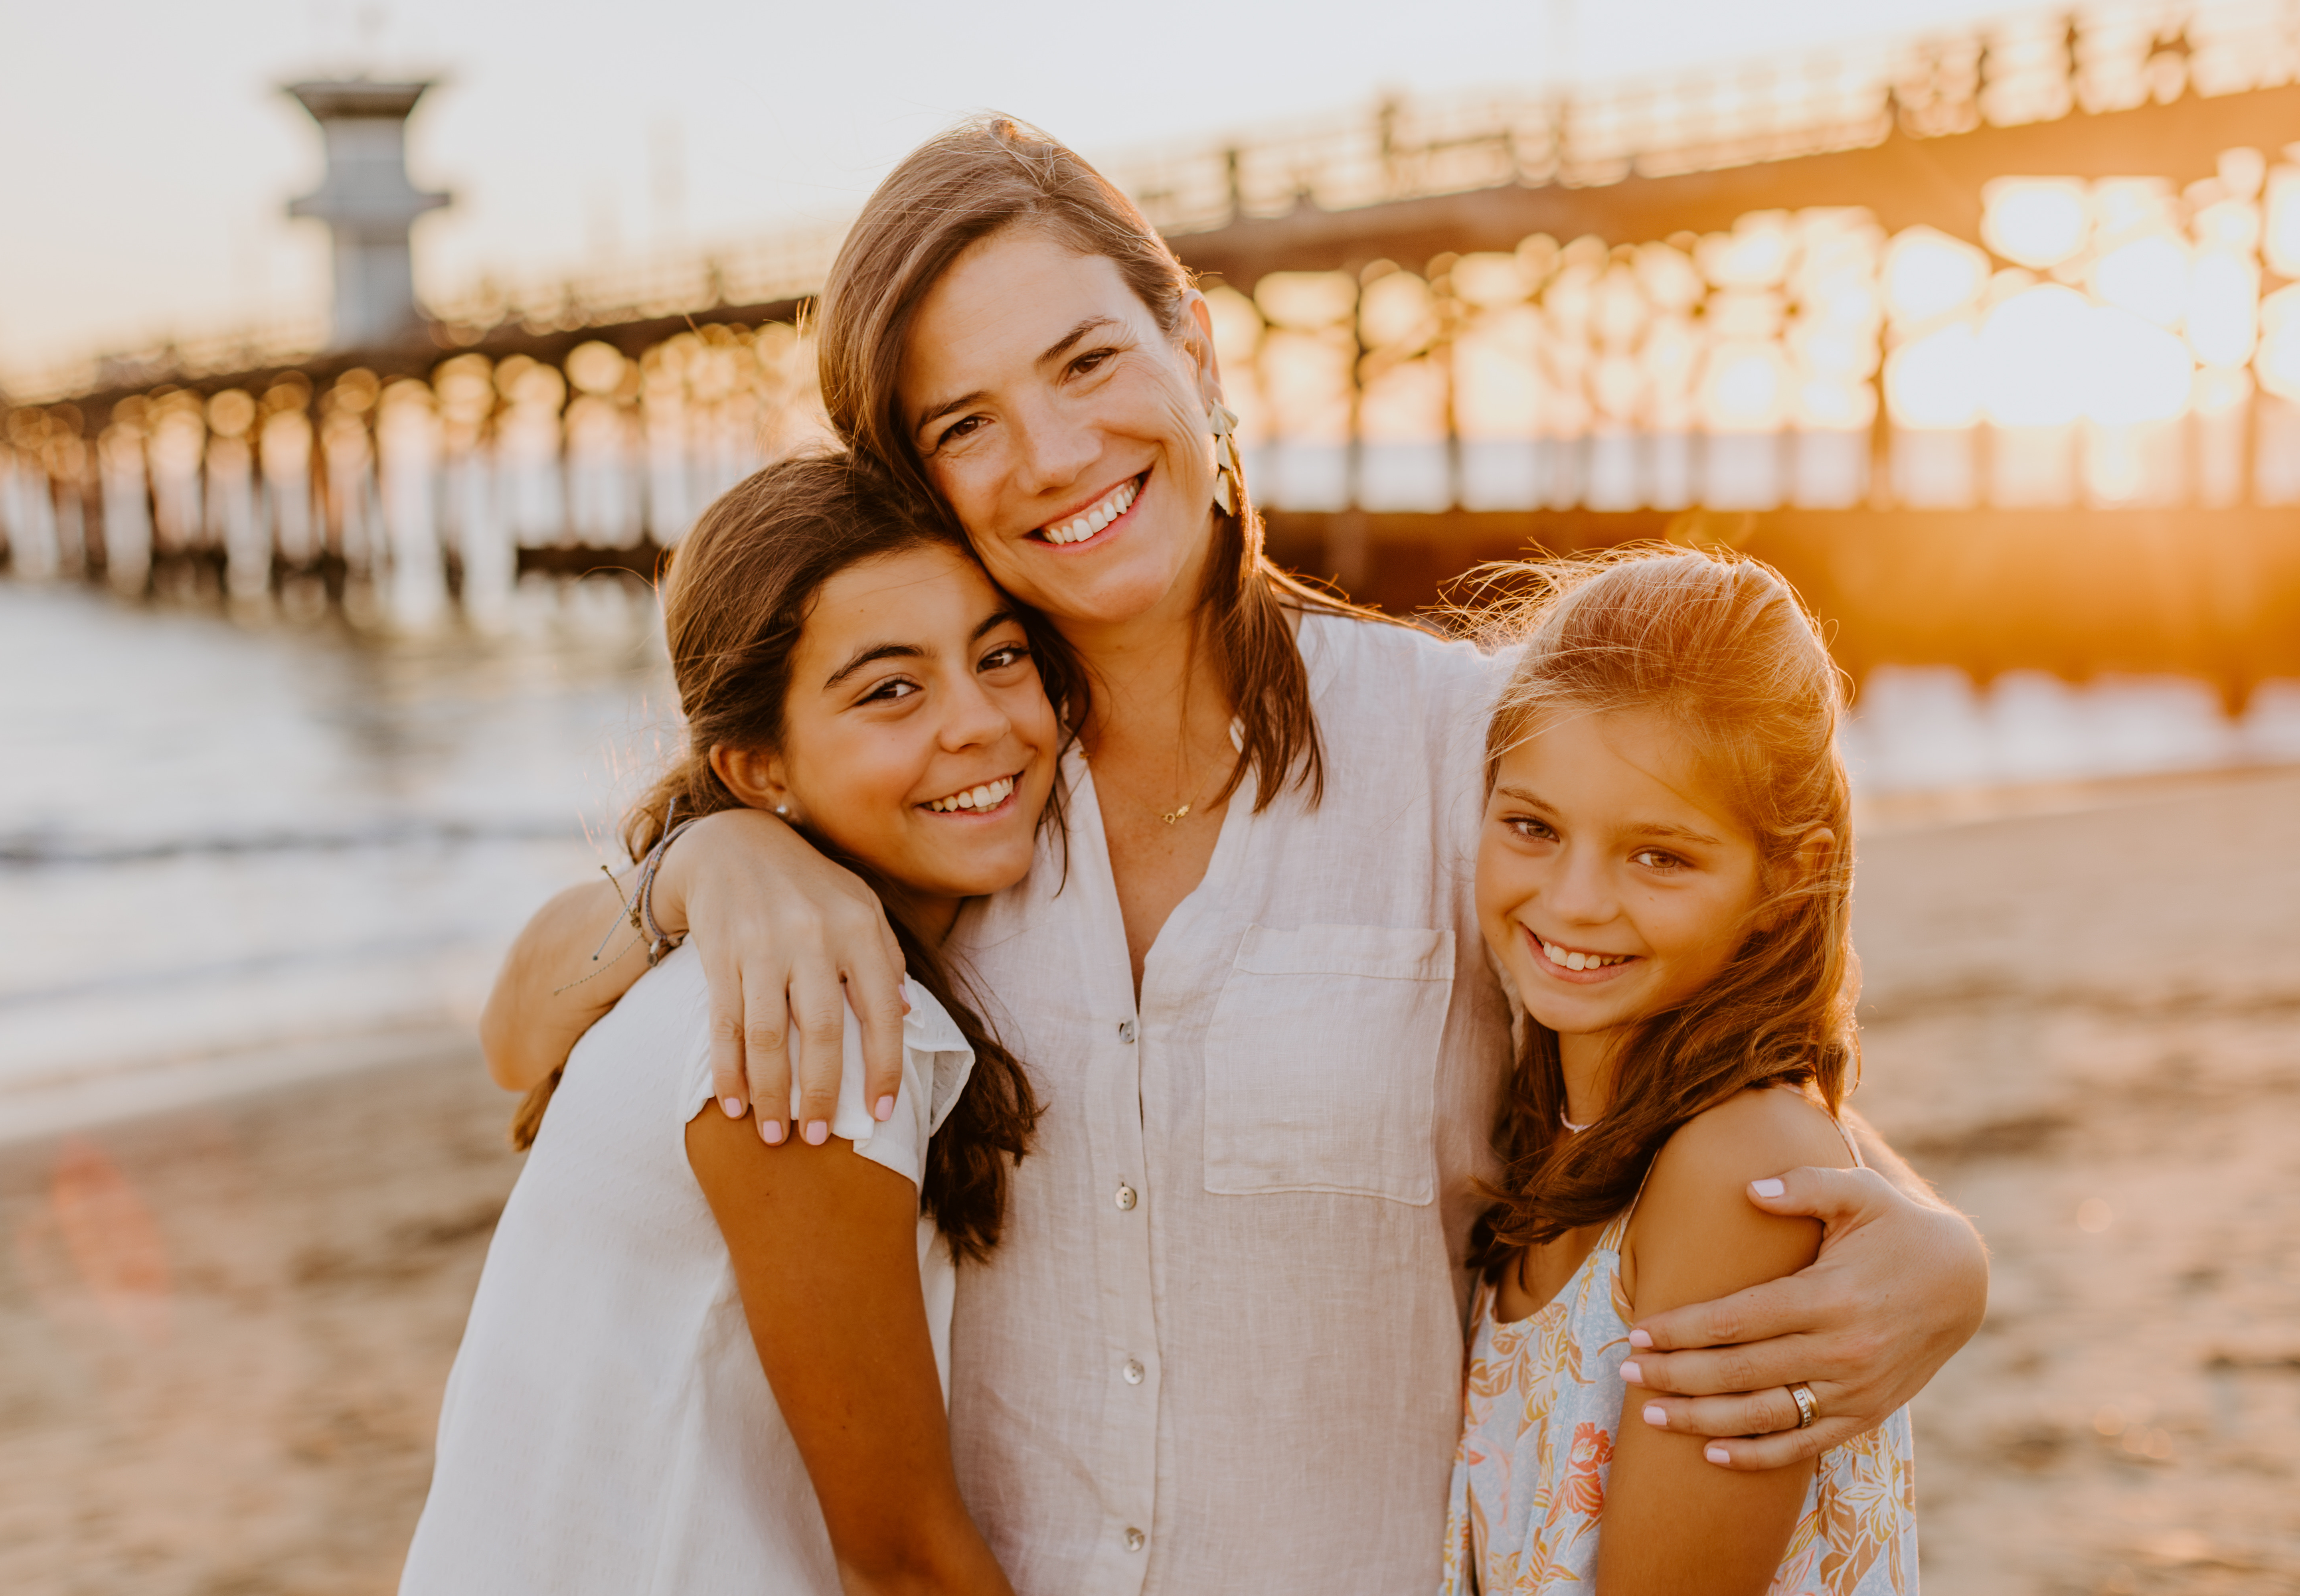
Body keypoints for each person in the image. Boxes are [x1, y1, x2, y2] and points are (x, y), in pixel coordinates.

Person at [478, 118, 1986, 1593]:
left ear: (1193, 349)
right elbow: (521, 1030)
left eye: (1088, 362)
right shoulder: (938, 806)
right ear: (917, 479)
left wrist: (1933, 1245)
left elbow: (1698, 1059)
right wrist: (715, 862)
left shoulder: (1465, 755)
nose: (1056, 454)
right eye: (967, 421)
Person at [402, 454, 1061, 1595]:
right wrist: (692, 864)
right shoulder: (807, 1017)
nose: (981, 724)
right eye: (889, 690)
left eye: (1000, 656)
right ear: (761, 771)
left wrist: (696, 857)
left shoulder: (723, 948)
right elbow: (902, 1562)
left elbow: (509, 1039)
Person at [1446, 547, 1914, 1594]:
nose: (1572, 903)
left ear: (1783, 876)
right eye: (1532, 827)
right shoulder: (1555, 1122)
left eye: (1658, 855)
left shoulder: (1739, 1169)